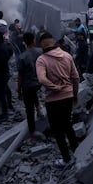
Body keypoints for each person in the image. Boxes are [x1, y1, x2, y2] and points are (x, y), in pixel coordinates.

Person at [35, 33, 80, 166]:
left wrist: (54, 87)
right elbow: (76, 78)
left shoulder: (41, 60)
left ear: (41, 45)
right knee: (68, 126)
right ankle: (78, 154)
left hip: (52, 101)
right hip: (68, 97)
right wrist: (75, 94)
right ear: (54, 42)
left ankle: (66, 159)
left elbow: (41, 79)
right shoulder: (67, 56)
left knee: (58, 131)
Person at [17, 32, 43, 134]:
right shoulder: (40, 52)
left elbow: (20, 76)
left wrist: (19, 90)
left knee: (29, 109)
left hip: (28, 85)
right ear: (34, 40)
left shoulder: (22, 57)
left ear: (24, 42)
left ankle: (32, 131)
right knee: (33, 92)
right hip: (40, 82)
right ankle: (39, 109)